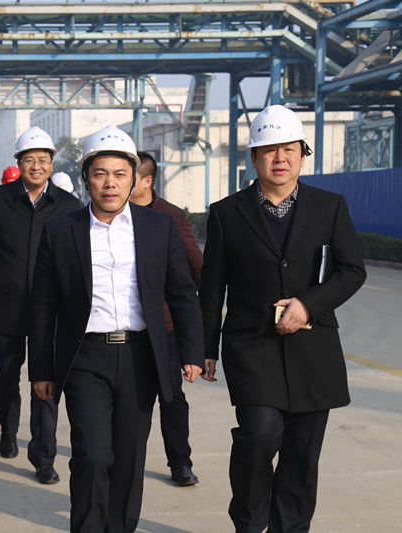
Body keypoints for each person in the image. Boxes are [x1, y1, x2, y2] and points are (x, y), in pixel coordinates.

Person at [28, 125, 204, 532]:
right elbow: (43, 305)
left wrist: (192, 352)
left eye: (120, 174)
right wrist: (40, 369)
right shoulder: (61, 231)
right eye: (100, 174)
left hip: (141, 357)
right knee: (91, 455)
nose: (110, 183)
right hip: (86, 358)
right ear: (86, 178)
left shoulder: (158, 226)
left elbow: (182, 292)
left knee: (128, 458)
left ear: (134, 178)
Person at [199, 105, 366, 533]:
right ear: (253, 157)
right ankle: (249, 521)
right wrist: (205, 348)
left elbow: (352, 270)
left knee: (301, 454)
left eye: (289, 149)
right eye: (269, 150)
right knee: (259, 435)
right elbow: (212, 286)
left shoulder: (329, 207)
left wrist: (308, 303)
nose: (280, 158)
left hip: (313, 349)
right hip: (252, 346)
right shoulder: (226, 213)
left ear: (303, 155)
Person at [0, 126, 82, 484]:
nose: (36, 166)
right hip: (7, 306)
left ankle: (43, 456)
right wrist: (7, 274)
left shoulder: (68, 206)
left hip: (50, 312)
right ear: (19, 163)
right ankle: (8, 431)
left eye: (43, 160)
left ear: (52, 164)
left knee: (45, 381)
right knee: (6, 375)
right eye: (29, 160)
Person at [129, 151, 203, 487]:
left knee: (171, 396)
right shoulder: (111, 215)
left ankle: (180, 462)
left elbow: (196, 267)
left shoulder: (171, 217)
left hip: (165, 327)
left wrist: (197, 334)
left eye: (126, 175)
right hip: (127, 328)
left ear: (146, 181)